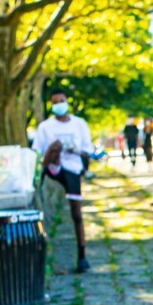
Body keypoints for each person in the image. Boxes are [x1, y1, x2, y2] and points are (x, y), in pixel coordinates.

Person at [32, 88, 94, 273]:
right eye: (55, 102)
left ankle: (82, 254)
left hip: (73, 169)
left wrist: (75, 150)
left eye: (61, 100)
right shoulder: (45, 127)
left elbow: (88, 150)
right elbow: (38, 152)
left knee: (77, 214)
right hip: (53, 170)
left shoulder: (79, 124)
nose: (59, 104)